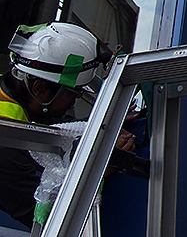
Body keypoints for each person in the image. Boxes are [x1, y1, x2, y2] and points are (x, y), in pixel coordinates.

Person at [0, 22, 132, 229]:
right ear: (40, 88)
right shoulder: (6, 142)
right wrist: (100, 170)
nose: (77, 98)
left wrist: (104, 120)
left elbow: (48, 122)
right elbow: (46, 219)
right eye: (75, 91)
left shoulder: (11, 95)